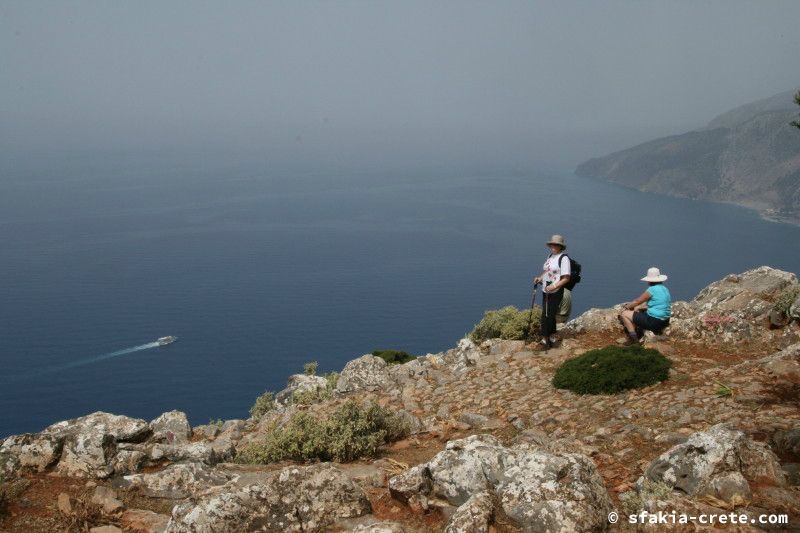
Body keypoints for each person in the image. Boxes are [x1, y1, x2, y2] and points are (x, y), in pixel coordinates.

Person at [533, 235, 571, 350]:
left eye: (556, 245)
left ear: (561, 246)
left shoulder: (564, 258)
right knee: (549, 314)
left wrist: (554, 286)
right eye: (552, 244)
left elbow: (566, 278)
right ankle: (553, 336)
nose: (554, 246)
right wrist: (540, 278)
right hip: (546, 289)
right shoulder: (551, 256)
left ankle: (545, 340)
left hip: (556, 291)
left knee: (546, 316)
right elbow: (547, 271)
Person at [618, 267, 672, 345]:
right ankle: (639, 333)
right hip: (665, 321)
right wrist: (639, 307)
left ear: (649, 280)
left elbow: (637, 301)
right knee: (639, 310)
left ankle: (634, 339)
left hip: (654, 321)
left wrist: (626, 307)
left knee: (624, 314)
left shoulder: (651, 290)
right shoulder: (665, 289)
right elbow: (655, 304)